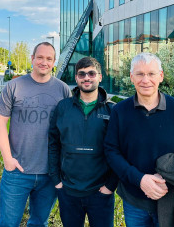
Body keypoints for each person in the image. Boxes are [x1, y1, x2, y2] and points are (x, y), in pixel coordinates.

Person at [104, 52, 174, 227]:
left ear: (160, 76)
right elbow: (111, 151)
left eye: (151, 74)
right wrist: (140, 180)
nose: (145, 80)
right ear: (131, 77)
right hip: (134, 200)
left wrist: (166, 179)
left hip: (172, 200)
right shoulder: (120, 111)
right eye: (139, 74)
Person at [0, 42, 72, 227]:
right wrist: (7, 160)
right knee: (8, 223)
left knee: (39, 223)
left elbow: (70, 129)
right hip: (17, 172)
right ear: (32, 59)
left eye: (49, 59)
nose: (44, 62)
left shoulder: (63, 90)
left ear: (54, 62)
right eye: (40, 57)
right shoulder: (14, 87)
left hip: (49, 173)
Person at [48, 57, 118, 227]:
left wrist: (110, 186)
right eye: (82, 74)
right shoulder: (62, 107)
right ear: (77, 78)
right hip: (68, 191)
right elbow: (53, 144)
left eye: (91, 73)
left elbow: (120, 150)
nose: (87, 77)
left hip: (101, 192)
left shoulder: (113, 110)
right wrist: (56, 180)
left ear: (100, 77)